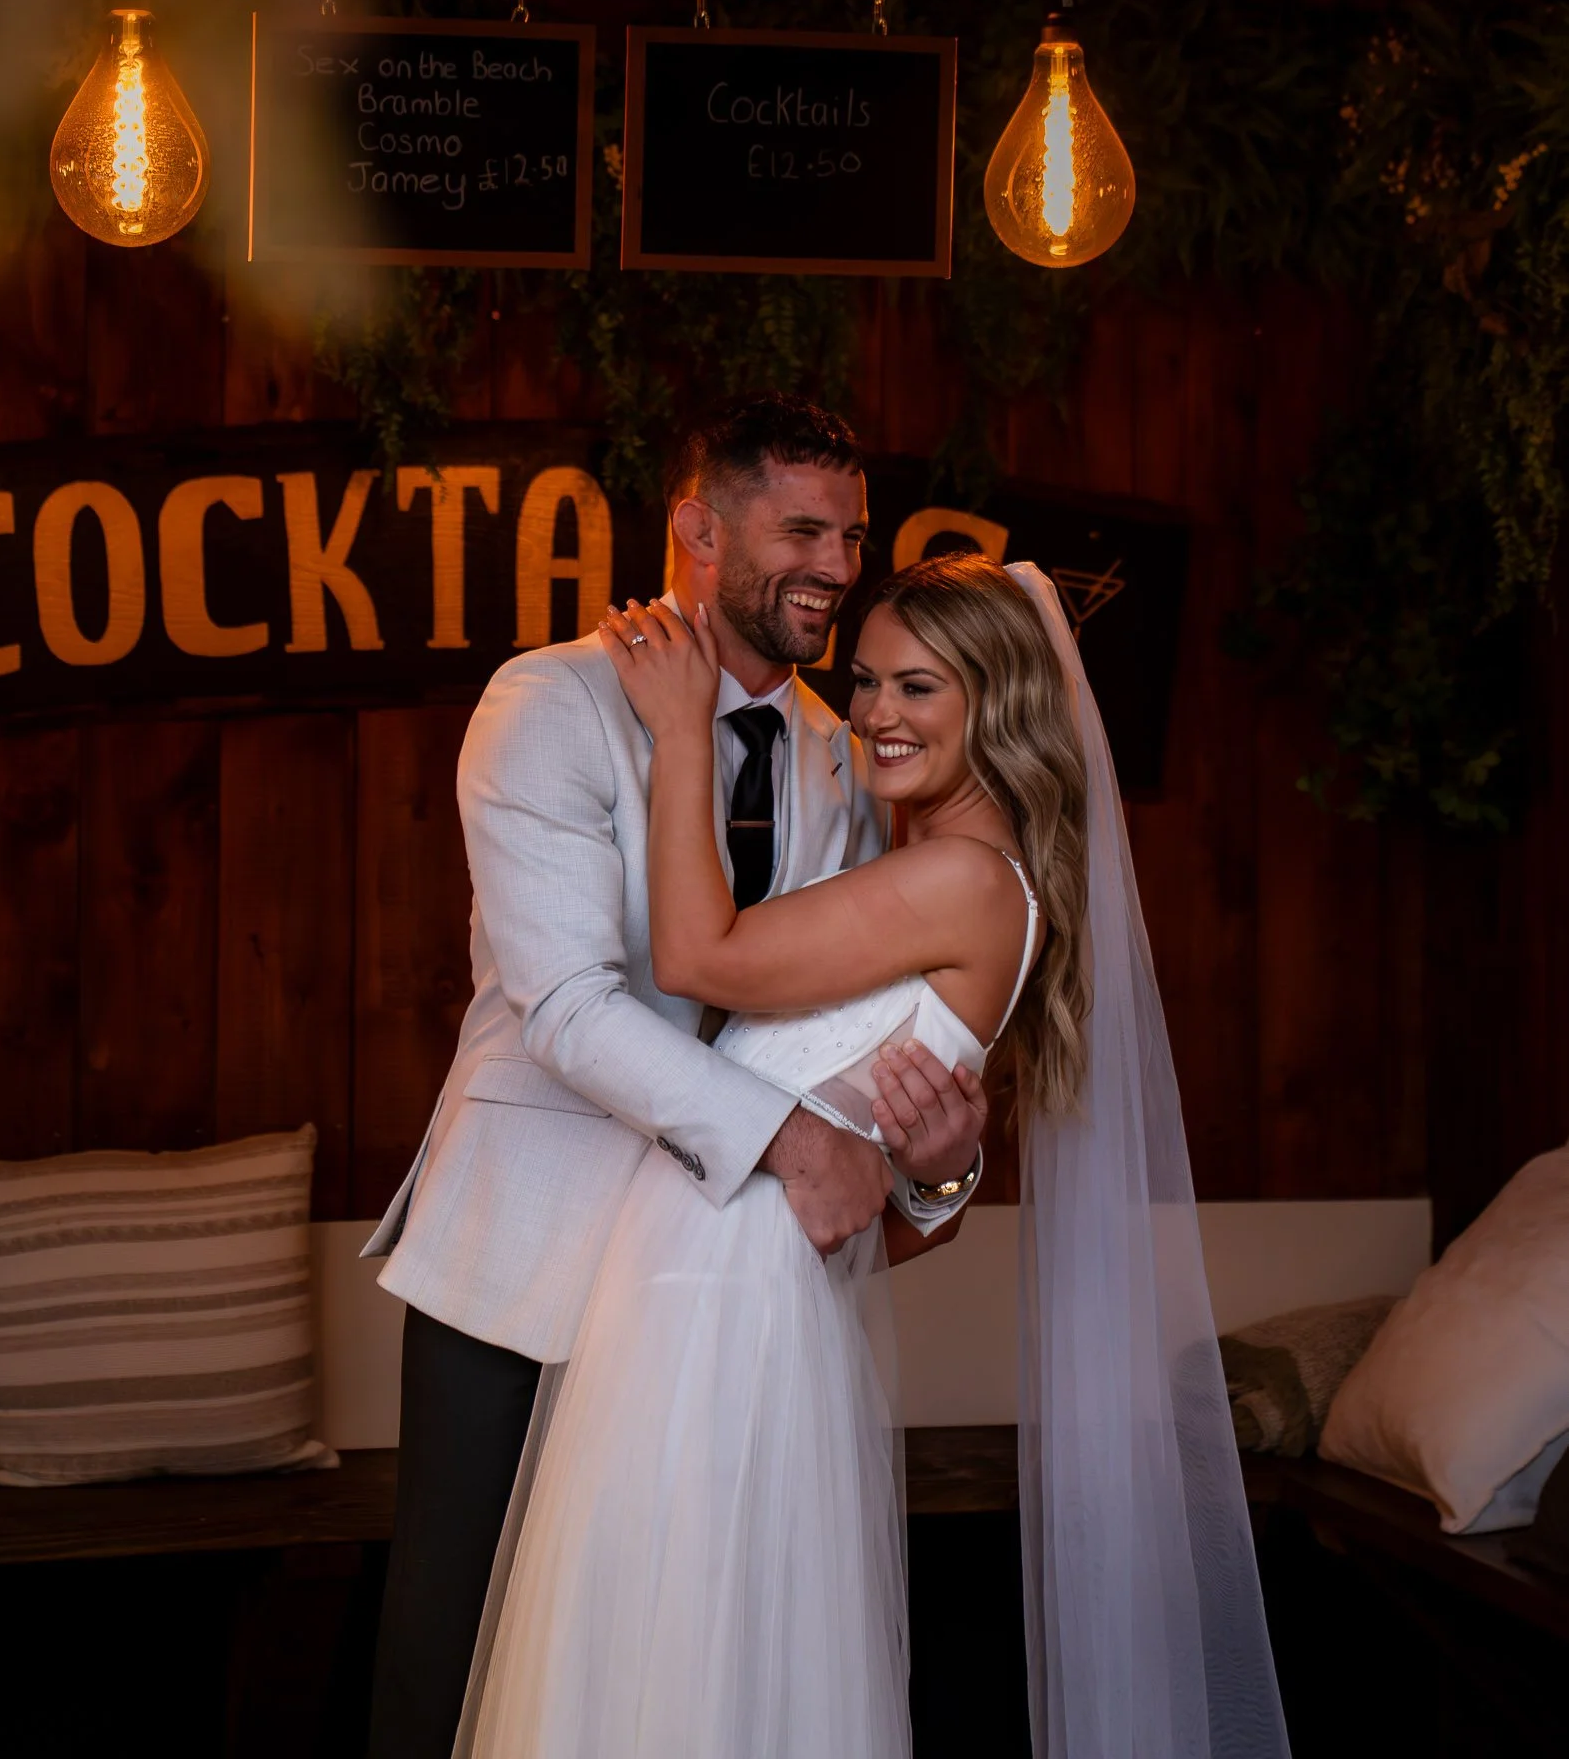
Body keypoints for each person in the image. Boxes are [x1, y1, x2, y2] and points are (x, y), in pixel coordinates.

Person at [452, 553, 1293, 1759]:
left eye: (919, 687)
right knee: (676, 1659)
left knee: (673, 1665)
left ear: (996, 702)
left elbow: (694, 953)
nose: (877, 714)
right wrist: (943, 1175)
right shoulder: (939, 872)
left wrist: (683, 725)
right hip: (729, 1286)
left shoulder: (958, 879)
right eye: (865, 681)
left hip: (722, 1309)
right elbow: (864, 1212)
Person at [362, 397, 987, 1759]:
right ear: (697, 530)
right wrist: (780, 1141)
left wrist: (935, 1173)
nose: (836, 561)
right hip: (520, 1279)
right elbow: (571, 1009)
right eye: (802, 527)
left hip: (723, 1314)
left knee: (674, 1687)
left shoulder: (846, 755)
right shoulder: (546, 705)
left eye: (853, 533)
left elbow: (855, 1058)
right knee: (457, 1673)